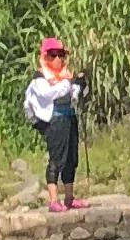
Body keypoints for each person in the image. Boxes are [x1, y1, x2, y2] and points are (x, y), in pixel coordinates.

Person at [23, 39, 85, 210]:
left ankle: (70, 197)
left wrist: (79, 86)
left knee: (71, 158)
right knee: (57, 159)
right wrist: (68, 84)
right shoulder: (40, 79)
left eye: (61, 55)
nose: (58, 59)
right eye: (53, 55)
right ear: (45, 57)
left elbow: (73, 96)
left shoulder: (66, 76)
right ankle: (53, 200)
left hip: (69, 117)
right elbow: (49, 94)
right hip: (54, 120)